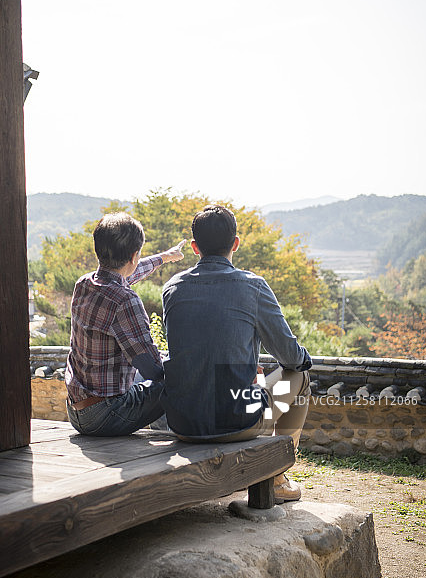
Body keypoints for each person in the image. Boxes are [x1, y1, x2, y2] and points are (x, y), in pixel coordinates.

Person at [161, 204, 311, 503]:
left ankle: (272, 474)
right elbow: (291, 358)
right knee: (300, 376)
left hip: (182, 422)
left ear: (194, 247)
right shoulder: (252, 286)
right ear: (236, 243)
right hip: (237, 418)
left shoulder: (172, 288)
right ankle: (277, 478)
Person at [65, 211, 186, 436]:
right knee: (174, 383)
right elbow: (152, 367)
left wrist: (165, 257)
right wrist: (187, 367)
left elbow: (124, 274)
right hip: (106, 415)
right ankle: (169, 440)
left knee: (149, 376)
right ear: (133, 256)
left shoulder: (83, 284)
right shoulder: (125, 300)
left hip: (77, 412)